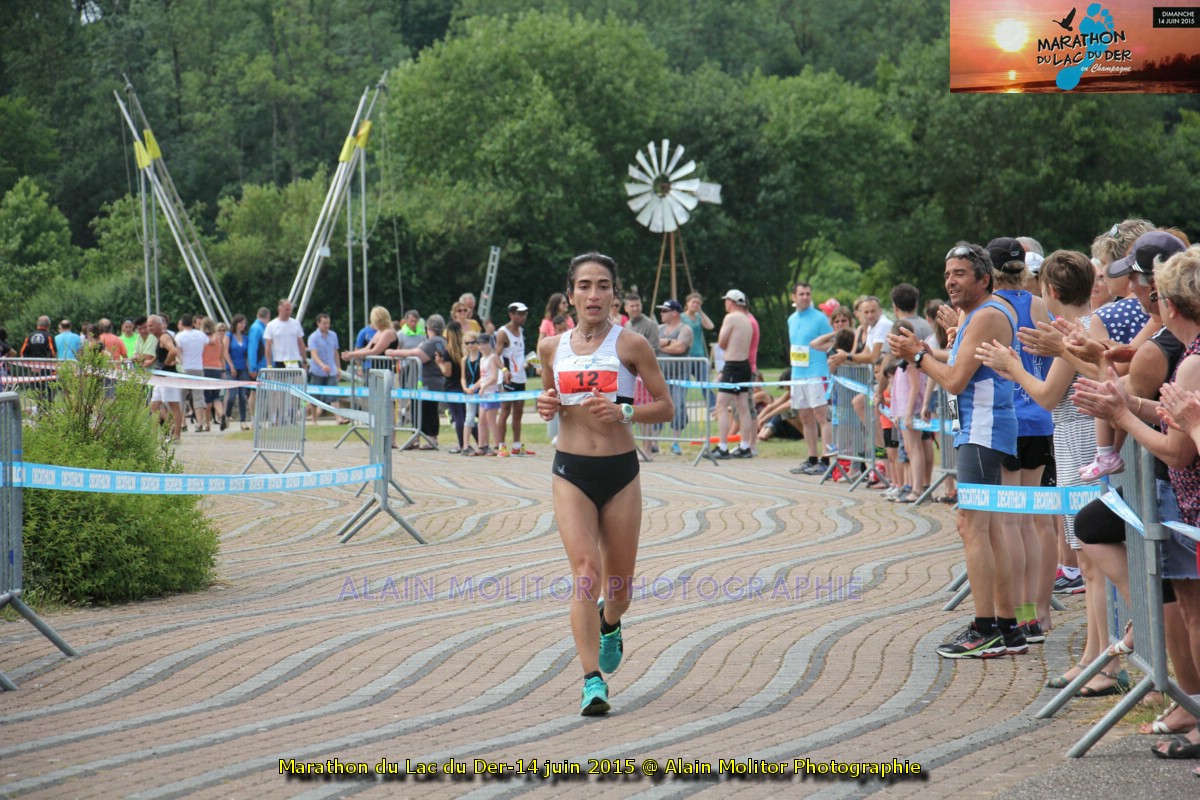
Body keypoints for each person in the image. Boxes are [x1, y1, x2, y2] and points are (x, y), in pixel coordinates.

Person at [536, 252, 673, 716]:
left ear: (614, 293)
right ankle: (592, 680)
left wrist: (624, 411)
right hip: (571, 472)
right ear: (570, 294)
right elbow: (549, 398)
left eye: (603, 286)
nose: (593, 294)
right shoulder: (551, 347)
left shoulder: (632, 344)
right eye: (584, 285)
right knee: (584, 572)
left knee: (619, 589)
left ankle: (610, 621)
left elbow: (666, 406)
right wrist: (546, 405)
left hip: (620, 474)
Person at [889, 242, 1023, 658]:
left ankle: (986, 628)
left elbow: (954, 380)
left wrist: (917, 356)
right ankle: (1007, 626)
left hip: (984, 428)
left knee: (972, 526)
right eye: (947, 274)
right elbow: (960, 361)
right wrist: (928, 352)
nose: (951, 281)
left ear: (984, 278)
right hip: (981, 427)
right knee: (989, 529)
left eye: (960, 273)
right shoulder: (980, 313)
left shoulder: (987, 315)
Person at [786, 282, 834, 475]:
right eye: (801, 294)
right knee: (805, 417)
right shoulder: (791, 319)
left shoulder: (820, 318)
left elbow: (833, 342)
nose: (805, 297)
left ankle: (826, 459)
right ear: (794, 297)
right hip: (798, 374)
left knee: (822, 416)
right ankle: (812, 457)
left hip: (817, 373)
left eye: (808, 294)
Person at [388, 314, 448, 449]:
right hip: (435, 380)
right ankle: (424, 438)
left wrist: (394, 352)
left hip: (427, 382)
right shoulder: (444, 341)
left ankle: (426, 439)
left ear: (428, 328)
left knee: (424, 410)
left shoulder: (431, 342)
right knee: (427, 410)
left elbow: (416, 354)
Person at [712, 289, 756, 459]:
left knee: (721, 406)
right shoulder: (747, 319)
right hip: (744, 365)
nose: (725, 304)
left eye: (726, 301)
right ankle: (745, 446)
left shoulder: (731, 317)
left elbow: (721, 342)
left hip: (733, 365)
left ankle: (722, 447)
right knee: (743, 406)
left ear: (731, 302)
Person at [495, 302, 534, 457]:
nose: (523, 317)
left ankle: (517, 446)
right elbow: (496, 356)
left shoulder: (521, 331)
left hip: (520, 378)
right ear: (511, 315)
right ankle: (501, 446)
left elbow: (517, 356)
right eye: (520, 314)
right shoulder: (503, 332)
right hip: (507, 379)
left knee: (518, 412)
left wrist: (528, 363)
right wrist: (504, 370)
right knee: (505, 411)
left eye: (525, 314)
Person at [147, 315, 184, 442]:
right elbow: (161, 353)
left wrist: (166, 363)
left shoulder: (164, 337)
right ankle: (165, 432)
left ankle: (176, 436)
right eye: (148, 325)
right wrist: (151, 362)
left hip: (168, 377)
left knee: (173, 406)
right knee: (154, 406)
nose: (149, 328)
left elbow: (173, 351)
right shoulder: (159, 338)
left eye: (151, 325)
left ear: (159, 325)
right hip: (160, 378)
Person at [174, 314, 209, 431]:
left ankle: (182, 423)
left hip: (184, 368)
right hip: (198, 367)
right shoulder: (201, 335)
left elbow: (178, 352)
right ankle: (200, 423)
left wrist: (181, 362)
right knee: (198, 396)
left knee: (181, 396)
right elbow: (207, 344)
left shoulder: (179, 336)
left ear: (182, 324)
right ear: (192, 323)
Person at [307, 313, 342, 424]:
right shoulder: (313, 337)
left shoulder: (333, 335)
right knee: (314, 396)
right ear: (318, 323)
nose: (327, 326)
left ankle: (338, 418)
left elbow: (335, 352)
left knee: (334, 395)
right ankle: (314, 419)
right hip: (317, 371)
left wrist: (338, 368)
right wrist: (322, 365)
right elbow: (314, 353)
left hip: (331, 371)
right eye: (324, 323)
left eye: (328, 323)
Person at [440, 320, 468, 452]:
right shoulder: (465, 351)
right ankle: (477, 442)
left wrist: (439, 363)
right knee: (466, 416)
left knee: (458, 417)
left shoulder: (448, 352)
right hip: (463, 386)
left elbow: (447, 372)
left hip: (451, 387)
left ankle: (462, 444)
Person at [224, 314, 252, 430]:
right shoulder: (229, 336)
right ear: (236, 324)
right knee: (232, 395)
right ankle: (227, 415)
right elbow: (225, 352)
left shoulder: (246, 338)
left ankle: (243, 421)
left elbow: (247, 355)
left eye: (244, 323)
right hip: (231, 368)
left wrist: (250, 368)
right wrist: (231, 366)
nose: (243, 325)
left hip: (243, 368)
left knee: (242, 395)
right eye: (241, 323)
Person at [263, 299, 307, 370]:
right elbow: (268, 347)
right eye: (286, 309)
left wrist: (304, 361)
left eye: (290, 309)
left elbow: (301, 343)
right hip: (279, 361)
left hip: (295, 361)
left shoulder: (296, 324)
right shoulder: (271, 325)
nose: (289, 312)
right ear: (280, 309)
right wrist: (269, 365)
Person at [201, 317, 227, 431]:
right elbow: (222, 357)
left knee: (207, 398)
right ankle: (222, 414)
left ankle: (207, 424)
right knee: (216, 397)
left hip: (205, 368)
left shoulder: (202, 338)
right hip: (217, 368)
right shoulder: (219, 339)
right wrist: (223, 371)